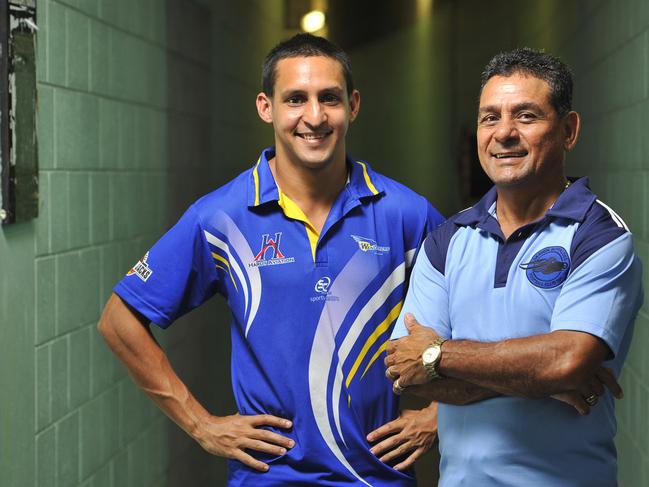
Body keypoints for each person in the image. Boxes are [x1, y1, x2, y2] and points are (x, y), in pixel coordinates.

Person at [98, 33, 445, 486]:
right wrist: (201, 425)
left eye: (330, 99)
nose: (314, 117)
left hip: (377, 477)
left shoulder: (406, 214)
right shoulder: (221, 216)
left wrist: (439, 416)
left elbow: (482, 313)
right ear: (267, 107)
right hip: (266, 478)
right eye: (296, 99)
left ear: (353, 106)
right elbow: (118, 321)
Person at [384, 47, 644, 486]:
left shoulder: (599, 237)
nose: (503, 133)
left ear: (568, 130)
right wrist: (538, 378)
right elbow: (407, 373)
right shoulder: (446, 242)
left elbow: (566, 361)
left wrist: (439, 354)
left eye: (526, 116)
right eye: (490, 117)